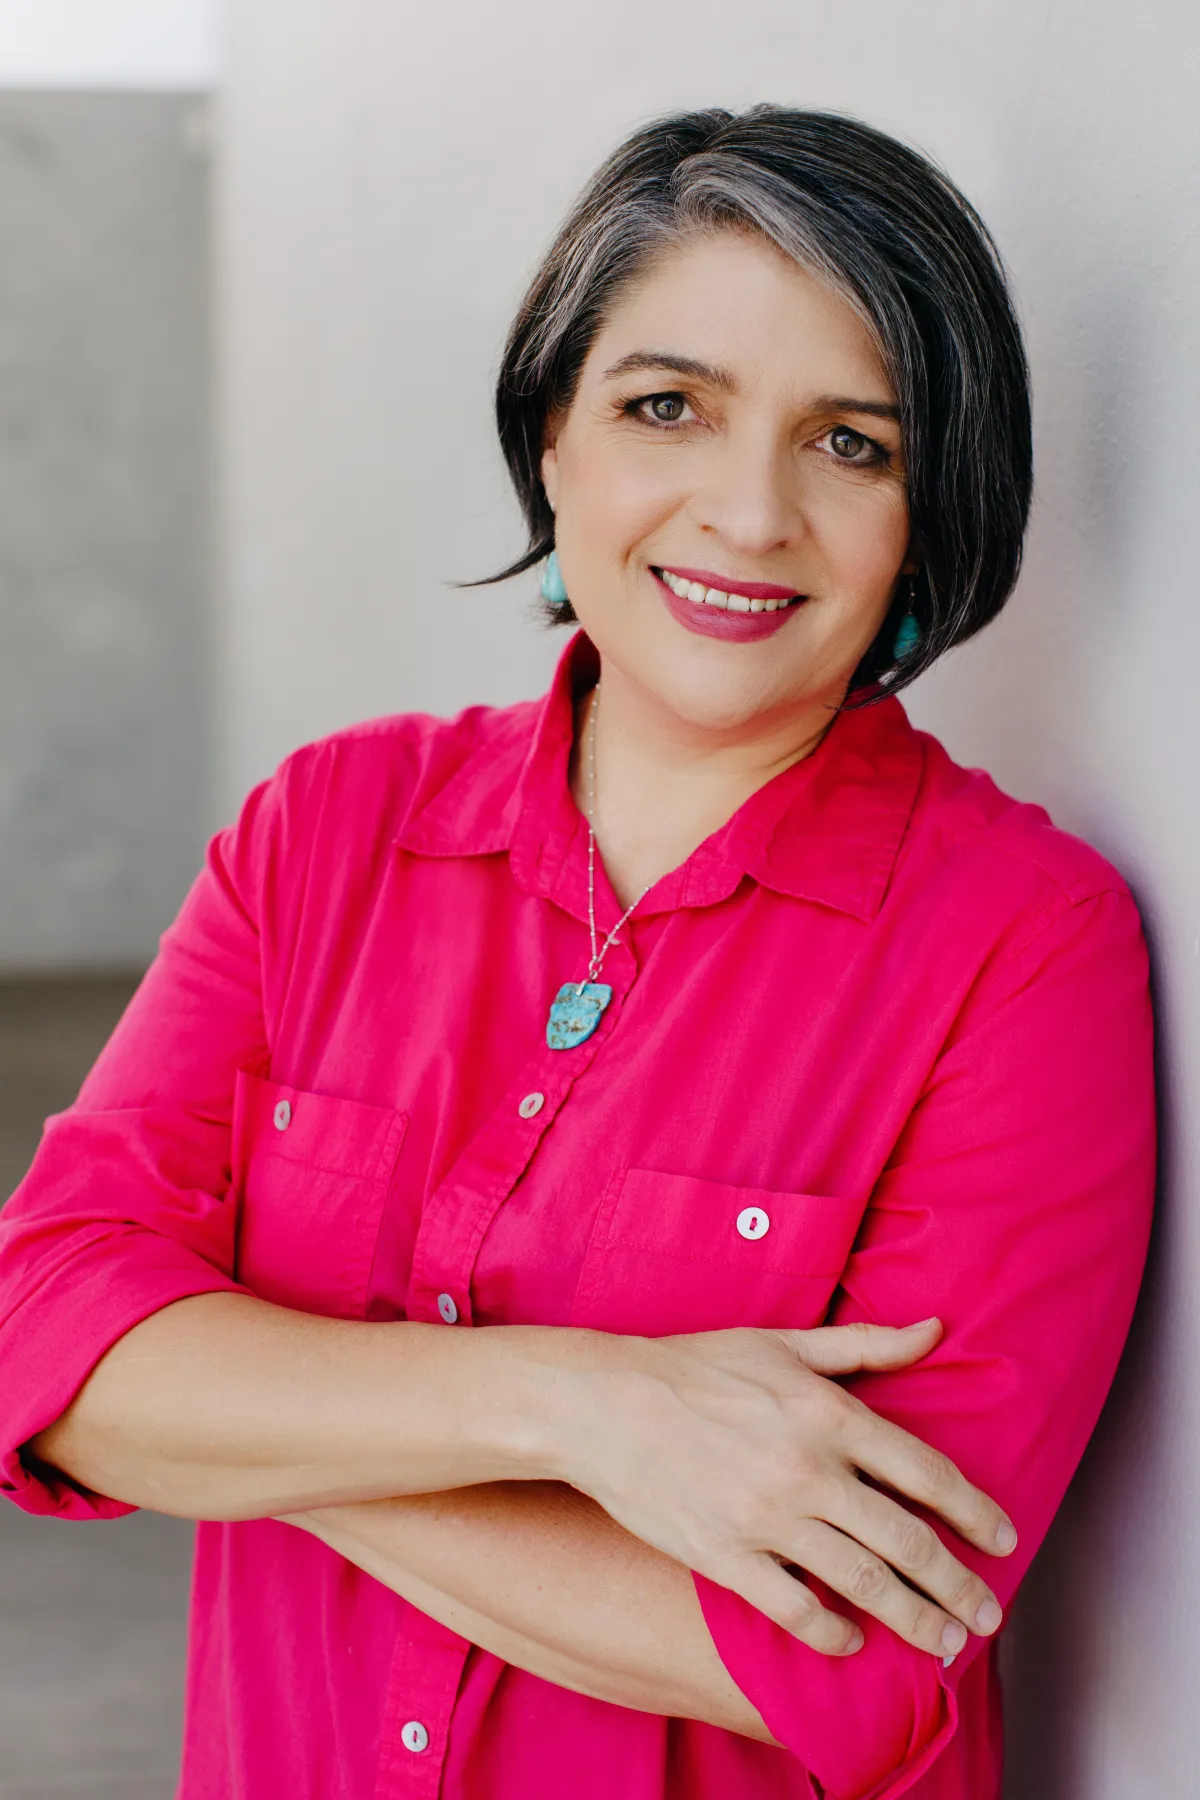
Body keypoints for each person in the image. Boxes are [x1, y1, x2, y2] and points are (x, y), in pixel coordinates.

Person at [0, 107, 1154, 1800]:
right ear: (554, 437)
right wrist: (579, 1409)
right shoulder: (325, 829)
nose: (747, 514)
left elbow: (847, 1644)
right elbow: (39, 1332)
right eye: (666, 406)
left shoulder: (1026, 949)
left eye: (851, 443)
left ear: (930, 509)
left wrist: (247, 1428)